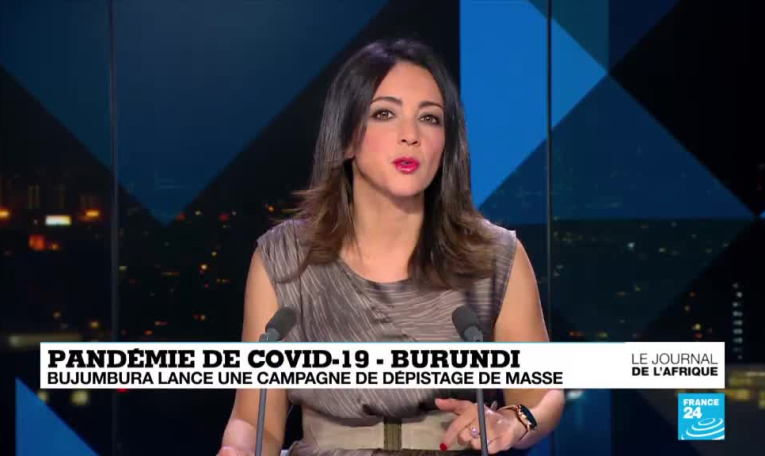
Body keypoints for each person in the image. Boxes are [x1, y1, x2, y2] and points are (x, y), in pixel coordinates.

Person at [218, 38, 564, 456]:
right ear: (347, 137)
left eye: (430, 119)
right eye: (384, 114)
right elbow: (253, 421)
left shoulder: (494, 256)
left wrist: (513, 421)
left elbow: (543, 394)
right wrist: (236, 450)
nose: (410, 136)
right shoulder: (284, 259)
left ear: (446, 143)